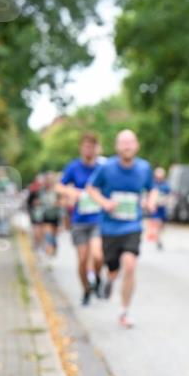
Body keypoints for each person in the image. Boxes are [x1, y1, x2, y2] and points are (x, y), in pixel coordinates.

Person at [87, 130, 156, 329]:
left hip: (132, 225)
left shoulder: (144, 168)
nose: (127, 146)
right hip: (109, 228)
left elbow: (152, 187)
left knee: (130, 264)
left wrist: (151, 201)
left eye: (131, 142)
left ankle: (124, 311)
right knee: (112, 267)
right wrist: (105, 202)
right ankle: (109, 279)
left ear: (137, 145)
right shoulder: (107, 168)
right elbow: (91, 188)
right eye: (123, 143)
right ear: (117, 147)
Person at [59, 132, 105, 306]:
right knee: (83, 259)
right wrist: (70, 192)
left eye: (91, 146)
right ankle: (86, 289)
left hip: (98, 218)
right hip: (79, 220)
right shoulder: (73, 167)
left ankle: (98, 277)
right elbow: (59, 186)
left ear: (96, 148)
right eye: (85, 146)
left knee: (98, 255)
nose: (88, 149)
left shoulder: (102, 167)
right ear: (80, 148)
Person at [145, 167, 171, 250]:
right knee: (157, 222)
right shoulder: (153, 184)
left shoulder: (165, 185)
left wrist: (166, 201)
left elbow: (169, 195)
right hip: (155, 207)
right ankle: (157, 239)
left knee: (161, 225)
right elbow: (148, 194)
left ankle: (158, 236)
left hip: (162, 207)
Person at [39, 172, 62, 258]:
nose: (49, 181)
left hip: (56, 216)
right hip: (46, 215)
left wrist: (57, 203)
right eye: (47, 179)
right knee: (48, 235)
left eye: (51, 179)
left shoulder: (57, 190)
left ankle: (54, 247)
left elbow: (62, 203)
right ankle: (48, 253)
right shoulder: (42, 191)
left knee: (53, 236)